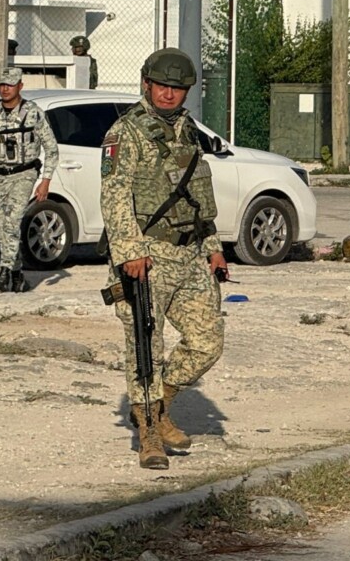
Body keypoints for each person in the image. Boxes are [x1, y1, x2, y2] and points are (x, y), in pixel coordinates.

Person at [100, 48, 228, 469]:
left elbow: (196, 196)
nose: (169, 94)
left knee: (207, 341)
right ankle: (149, 434)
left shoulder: (187, 131)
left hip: (189, 252)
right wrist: (130, 252)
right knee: (144, 346)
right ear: (146, 83)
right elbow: (115, 196)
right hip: (147, 254)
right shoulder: (126, 133)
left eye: (177, 88)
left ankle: (162, 404)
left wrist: (212, 248)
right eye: (162, 86)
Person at [0, 67, 59, 293]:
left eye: (10, 85)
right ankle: (17, 272)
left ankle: (4, 272)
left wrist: (45, 180)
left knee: (13, 221)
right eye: (2, 85)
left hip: (23, 174)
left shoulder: (32, 113)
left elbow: (52, 149)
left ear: (20, 86)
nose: (5, 89)